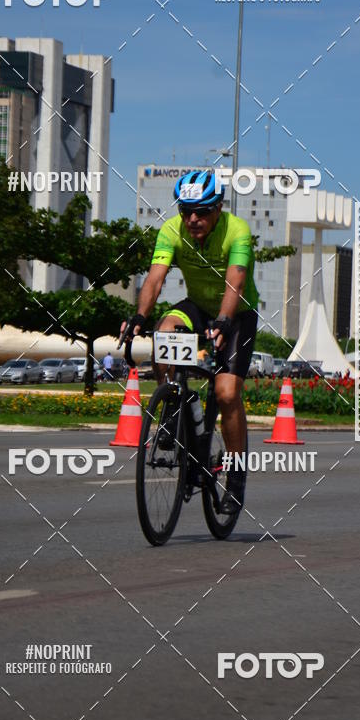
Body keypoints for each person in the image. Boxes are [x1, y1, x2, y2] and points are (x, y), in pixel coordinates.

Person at [119, 169, 258, 513]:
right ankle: (172, 410)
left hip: (236, 313)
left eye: (203, 211)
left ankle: (236, 478)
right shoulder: (170, 231)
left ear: (219, 207)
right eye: (186, 211)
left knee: (226, 393)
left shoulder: (237, 231)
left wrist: (224, 322)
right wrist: (139, 317)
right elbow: (154, 279)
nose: (193, 219)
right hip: (196, 306)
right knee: (164, 331)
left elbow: (235, 285)